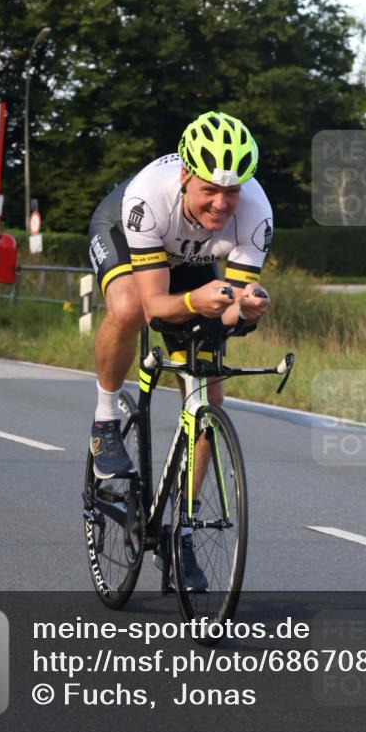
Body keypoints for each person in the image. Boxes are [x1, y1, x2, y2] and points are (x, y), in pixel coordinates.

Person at [87, 111, 272, 589]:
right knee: (126, 307)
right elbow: (156, 308)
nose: (221, 202)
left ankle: (180, 532)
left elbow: (229, 305)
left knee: (209, 399)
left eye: (231, 192)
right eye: (209, 188)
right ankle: (106, 418)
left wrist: (244, 309)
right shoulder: (149, 196)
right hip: (129, 238)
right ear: (186, 175)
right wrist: (197, 301)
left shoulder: (257, 213)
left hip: (193, 259)